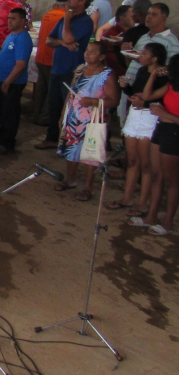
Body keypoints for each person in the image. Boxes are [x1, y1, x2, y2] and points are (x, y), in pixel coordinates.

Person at [55, 42, 120, 201]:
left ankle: (88, 187)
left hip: (94, 120)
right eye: (87, 50)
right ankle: (70, 180)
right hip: (74, 117)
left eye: (93, 52)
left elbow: (114, 101)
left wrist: (92, 101)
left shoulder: (107, 74)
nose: (87, 53)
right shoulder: (80, 70)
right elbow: (71, 95)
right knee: (71, 148)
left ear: (102, 56)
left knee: (90, 152)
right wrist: (64, 115)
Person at [110, 43, 168, 214]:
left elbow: (161, 100)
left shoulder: (163, 76)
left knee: (146, 165)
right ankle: (127, 198)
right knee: (133, 160)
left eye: (144, 54)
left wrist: (145, 103)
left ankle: (142, 203)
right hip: (135, 115)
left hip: (149, 118)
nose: (140, 56)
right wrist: (125, 87)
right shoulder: (143, 71)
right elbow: (134, 93)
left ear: (154, 58)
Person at [37, 0, 95, 149]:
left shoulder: (85, 21)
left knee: (70, 108)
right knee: (54, 105)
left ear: (83, 1)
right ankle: (51, 138)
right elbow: (49, 41)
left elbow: (69, 38)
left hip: (71, 71)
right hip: (57, 68)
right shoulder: (64, 19)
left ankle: (70, 142)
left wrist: (67, 21)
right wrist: (62, 42)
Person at [130, 55, 179, 235]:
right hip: (162, 129)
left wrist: (164, 114)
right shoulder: (170, 86)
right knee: (157, 174)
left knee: (172, 181)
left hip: (174, 133)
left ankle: (168, 221)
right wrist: (153, 76)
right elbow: (148, 95)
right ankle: (151, 216)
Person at [0, 7, 33, 154]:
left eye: (13, 18)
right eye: (9, 18)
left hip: (13, 83)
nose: (9, 21)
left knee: (10, 113)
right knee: (2, 112)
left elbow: (20, 64)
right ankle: (2, 138)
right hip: (4, 81)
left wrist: (8, 81)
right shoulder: (11, 35)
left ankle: (8, 143)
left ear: (23, 21)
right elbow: (4, 56)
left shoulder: (23, 38)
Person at [32, 0, 69, 126]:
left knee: (41, 88)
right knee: (51, 90)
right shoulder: (64, 17)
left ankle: (36, 114)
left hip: (41, 56)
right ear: (66, 4)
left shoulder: (46, 15)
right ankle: (45, 117)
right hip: (51, 58)